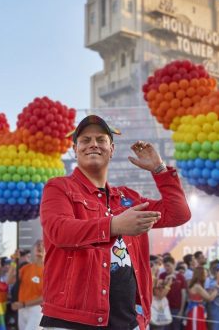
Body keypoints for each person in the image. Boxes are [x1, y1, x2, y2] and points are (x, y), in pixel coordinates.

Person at [39, 115, 191, 329]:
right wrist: (114, 226)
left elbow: (179, 214)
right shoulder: (59, 187)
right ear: (75, 149)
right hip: (71, 321)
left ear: (112, 149)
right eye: (85, 140)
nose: (93, 144)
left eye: (101, 140)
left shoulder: (127, 198)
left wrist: (159, 170)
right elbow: (59, 231)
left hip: (128, 320)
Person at [11, 240, 45, 330]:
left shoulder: (49, 271)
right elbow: (9, 280)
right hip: (22, 309)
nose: (40, 247)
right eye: (37, 245)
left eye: (43, 245)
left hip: (37, 310)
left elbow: (45, 297)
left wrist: (24, 304)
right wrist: (14, 261)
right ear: (33, 250)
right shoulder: (25, 268)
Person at [159, 256, 187, 330]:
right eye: (164, 266)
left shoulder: (181, 276)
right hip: (164, 308)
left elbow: (183, 294)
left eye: (168, 265)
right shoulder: (162, 276)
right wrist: (166, 280)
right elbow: (159, 291)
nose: (166, 267)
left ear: (174, 264)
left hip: (176, 309)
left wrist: (181, 310)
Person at [205, 259, 219, 330]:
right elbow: (208, 297)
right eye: (216, 269)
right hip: (213, 309)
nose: (217, 271)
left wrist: (218, 292)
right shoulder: (209, 281)